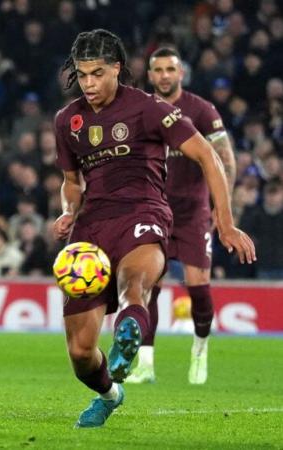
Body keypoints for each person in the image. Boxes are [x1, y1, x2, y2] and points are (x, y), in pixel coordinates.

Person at [52, 29, 255, 428]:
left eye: (97, 74)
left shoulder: (149, 108)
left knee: (134, 285)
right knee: (80, 352)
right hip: (92, 228)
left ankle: (130, 333)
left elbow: (208, 157)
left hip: (144, 211)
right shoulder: (67, 120)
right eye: (82, 75)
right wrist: (67, 210)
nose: (89, 84)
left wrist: (226, 222)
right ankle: (110, 394)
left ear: (117, 69)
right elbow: (72, 182)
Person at [126, 47, 237, 386]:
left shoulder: (201, 111)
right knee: (149, 287)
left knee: (198, 288)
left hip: (193, 211)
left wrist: (223, 207)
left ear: (180, 73)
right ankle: (145, 364)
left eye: (169, 69)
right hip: (154, 210)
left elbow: (226, 161)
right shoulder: (141, 110)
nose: (164, 75)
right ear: (150, 75)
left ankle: (200, 349)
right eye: (157, 70)